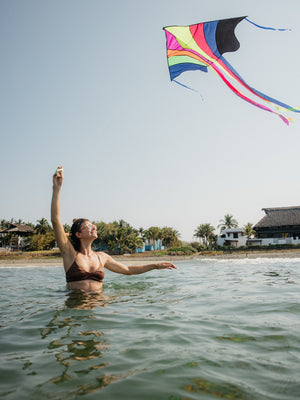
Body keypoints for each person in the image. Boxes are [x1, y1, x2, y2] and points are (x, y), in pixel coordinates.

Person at [51, 167, 176, 292]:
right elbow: (55, 221)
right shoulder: (69, 253)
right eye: (89, 226)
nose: (94, 228)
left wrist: (155, 266)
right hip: (76, 304)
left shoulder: (102, 257)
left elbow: (128, 270)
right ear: (78, 234)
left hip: (98, 304)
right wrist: (57, 188)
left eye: (94, 226)